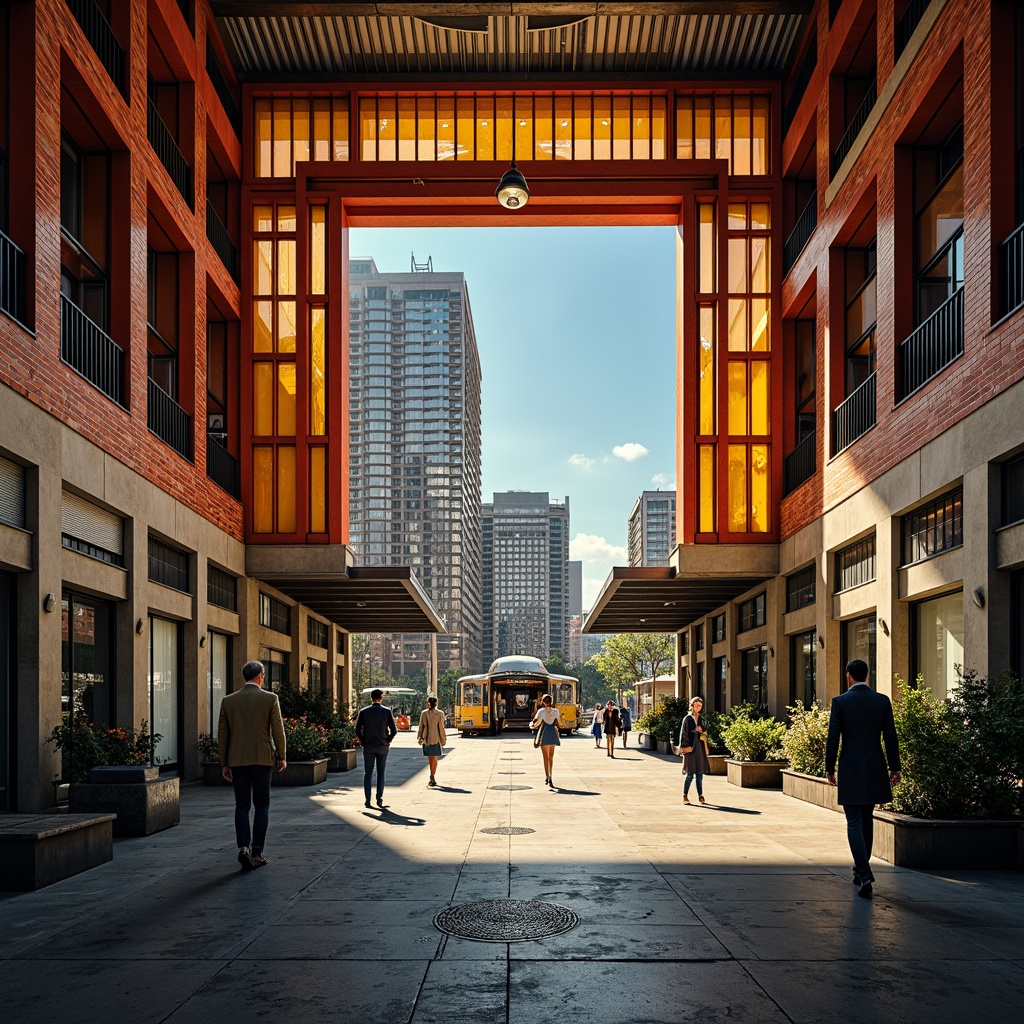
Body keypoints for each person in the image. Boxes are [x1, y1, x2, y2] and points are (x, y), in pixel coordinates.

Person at [826, 658, 902, 898]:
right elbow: (891, 736)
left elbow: (833, 737)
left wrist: (829, 767)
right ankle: (860, 871)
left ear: (848, 676)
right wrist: (895, 767)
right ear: (867, 675)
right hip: (874, 767)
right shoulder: (881, 701)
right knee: (867, 818)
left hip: (850, 767)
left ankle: (865, 873)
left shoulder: (840, 702)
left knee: (854, 821)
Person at [217, 660, 287, 870]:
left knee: (241, 805)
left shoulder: (228, 701)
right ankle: (257, 852)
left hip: (237, 761)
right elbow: (278, 730)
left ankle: (243, 849)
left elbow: (223, 734)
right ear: (260, 676)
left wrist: (224, 763)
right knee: (262, 805)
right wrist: (281, 755)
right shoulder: (270, 698)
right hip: (262, 760)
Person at [355, 687, 398, 808]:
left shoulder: (363, 712)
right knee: (381, 772)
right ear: (381, 698)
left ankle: (367, 799)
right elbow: (394, 730)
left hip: (368, 746)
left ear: (371, 698)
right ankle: (379, 799)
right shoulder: (386, 711)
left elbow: (357, 730)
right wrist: (387, 740)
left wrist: (363, 741)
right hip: (382, 746)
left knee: (368, 773)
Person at [679, 695, 711, 805]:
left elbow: (706, 733)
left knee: (700, 774)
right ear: (692, 706)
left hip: (700, 748)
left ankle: (700, 795)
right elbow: (684, 733)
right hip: (690, 748)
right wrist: (683, 748)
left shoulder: (702, 719)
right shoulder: (688, 718)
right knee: (689, 774)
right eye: (696, 705)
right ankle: (685, 795)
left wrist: (701, 730)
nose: (698, 707)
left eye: (700, 706)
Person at [530, 694, 563, 789]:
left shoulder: (541, 712)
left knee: (545, 757)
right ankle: (551, 775)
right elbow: (560, 722)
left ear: (543, 702)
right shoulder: (556, 711)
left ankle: (547, 776)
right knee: (551, 757)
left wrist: (531, 725)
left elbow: (536, 723)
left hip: (544, 733)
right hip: (553, 733)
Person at [417, 695, 447, 787]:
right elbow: (421, 725)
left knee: (433, 758)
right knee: (431, 758)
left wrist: (443, 739)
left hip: (435, 738)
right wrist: (420, 737)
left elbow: (441, 727)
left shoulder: (439, 713)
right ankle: (432, 776)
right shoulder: (424, 713)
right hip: (427, 738)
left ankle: (432, 776)